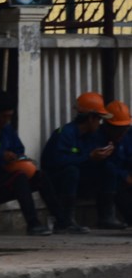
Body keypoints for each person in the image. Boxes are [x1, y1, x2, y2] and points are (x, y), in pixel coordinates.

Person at [0, 91, 69, 235]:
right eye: (3, 116)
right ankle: (33, 224)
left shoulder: (8, 130)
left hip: (7, 181)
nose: (6, 120)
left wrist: (17, 158)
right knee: (19, 178)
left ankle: (62, 221)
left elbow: (19, 149)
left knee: (40, 176)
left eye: (9, 116)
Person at [40, 91, 121, 231]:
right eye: (99, 119)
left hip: (82, 180)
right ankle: (66, 220)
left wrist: (105, 154)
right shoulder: (65, 134)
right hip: (59, 182)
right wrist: (88, 157)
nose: (99, 123)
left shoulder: (94, 136)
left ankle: (106, 216)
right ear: (90, 118)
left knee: (110, 168)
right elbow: (55, 162)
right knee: (72, 171)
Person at [101, 99, 132, 227]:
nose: (121, 132)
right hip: (116, 181)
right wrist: (125, 176)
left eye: (124, 128)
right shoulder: (100, 137)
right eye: (117, 129)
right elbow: (108, 165)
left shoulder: (129, 136)